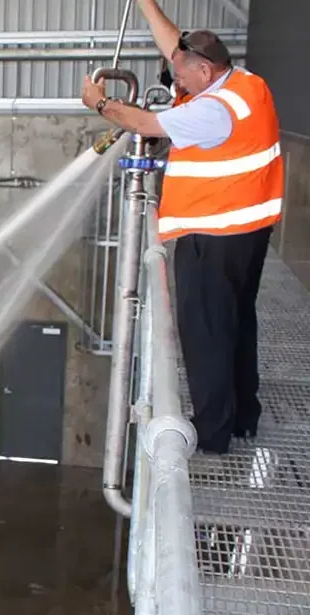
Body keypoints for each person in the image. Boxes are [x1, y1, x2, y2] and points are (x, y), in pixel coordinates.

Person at [79, 0, 284, 454]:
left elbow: (146, 123)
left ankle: (212, 433)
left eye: (182, 76)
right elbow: (177, 47)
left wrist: (101, 103)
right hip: (248, 230)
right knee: (236, 322)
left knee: (205, 333)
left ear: (205, 71)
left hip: (211, 237)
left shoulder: (211, 112)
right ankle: (242, 416)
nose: (176, 84)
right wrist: (147, 5)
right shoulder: (245, 84)